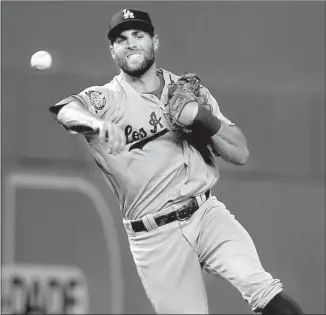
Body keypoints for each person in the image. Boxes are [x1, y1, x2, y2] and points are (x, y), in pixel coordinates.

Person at [49, 8, 304, 314]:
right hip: (155, 237)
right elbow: (66, 110)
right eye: (121, 39)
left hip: (206, 214)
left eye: (138, 35)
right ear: (112, 50)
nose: (130, 43)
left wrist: (203, 118)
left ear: (154, 41)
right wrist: (98, 126)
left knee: (267, 294)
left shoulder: (185, 90)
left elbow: (240, 153)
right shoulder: (107, 99)